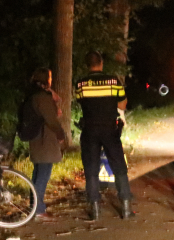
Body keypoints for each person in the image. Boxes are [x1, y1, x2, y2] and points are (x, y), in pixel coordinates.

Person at [75, 51, 133, 220]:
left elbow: (81, 102)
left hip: (90, 130)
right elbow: (122, 104)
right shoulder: (113, 81)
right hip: (110, 129)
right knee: (119, 166)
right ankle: (126, 207)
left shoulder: (80, 84)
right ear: (101, 63)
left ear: (88, 65)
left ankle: (95, 209)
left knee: (91, 169)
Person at [25, 67, 66, 220]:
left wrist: (51, 93)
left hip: (38, 139)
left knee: (38, 173)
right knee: (43, 173)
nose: (51, 79)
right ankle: (38, 210)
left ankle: (34, 206)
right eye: (49, 77)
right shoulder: (41, 97)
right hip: (44, 139)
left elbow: (57, 101)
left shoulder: (35, 94)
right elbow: (51, 119)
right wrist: (60, 133)